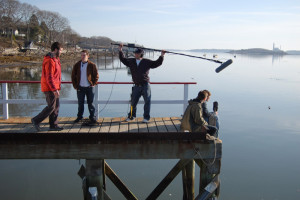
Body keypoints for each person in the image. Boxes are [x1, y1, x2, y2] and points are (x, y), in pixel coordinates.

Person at [119, 44, 166, 123]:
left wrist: (162, 55)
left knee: (147, 101)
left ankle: (146, 118)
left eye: (137, 53)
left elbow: (157, 63)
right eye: (135, 53)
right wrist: (120, 50)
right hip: (136, 86)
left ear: (141, 54)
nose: (136, 54)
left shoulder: (146, 61)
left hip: (145, 85)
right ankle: (131, 116)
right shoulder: (131, 61)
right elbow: (123, 59)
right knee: (133, 102)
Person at [31, 42, 63, 131]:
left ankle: (53, 125)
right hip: (49, 88)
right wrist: (54, 89)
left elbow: (56, 76)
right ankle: (36, 120)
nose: (61, 52)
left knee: (56, 106)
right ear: (55, 50)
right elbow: (49, 77)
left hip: (54, 87)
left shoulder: (56, 59)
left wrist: (57, 88)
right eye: (60, 50)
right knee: (51, 107)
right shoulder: (49, 60)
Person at [71, 50, 99, 124]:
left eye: (84, 55)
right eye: (82, 55)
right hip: (80, 87)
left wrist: (93, 83)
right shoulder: (77, 65)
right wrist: (75, 86)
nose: (83, 57)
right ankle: (79, 117)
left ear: (88, 56)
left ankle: (92, 117)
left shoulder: (92, 65)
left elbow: (96, 75)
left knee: (91, 103)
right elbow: (73, 76)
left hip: (89, 87)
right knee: (80, 103)